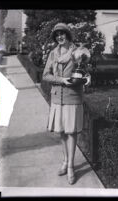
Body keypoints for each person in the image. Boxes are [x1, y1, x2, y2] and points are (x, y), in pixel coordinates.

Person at [42, 23, 91, 185]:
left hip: (73, 96)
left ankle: (70, 166)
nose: (59, 37)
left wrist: (87, 78)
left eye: (62, 34)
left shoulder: (78, 51)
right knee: (62, 131)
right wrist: (62, 80)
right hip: (57, 97)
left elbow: (85, 70)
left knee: (72, 132)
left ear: (68, 35)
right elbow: (46, 76)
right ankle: (65, 161)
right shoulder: (53, 53)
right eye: (57, 35)